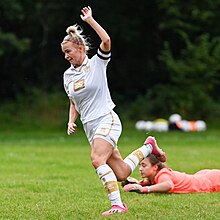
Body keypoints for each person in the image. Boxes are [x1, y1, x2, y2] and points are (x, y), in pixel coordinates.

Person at [61, 6, 166, 216]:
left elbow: (106, 41)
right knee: (121, 173)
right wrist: (71, 120)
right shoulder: (67, 76)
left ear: (80, 48)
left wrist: (90, 20)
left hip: (106, 119)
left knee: (96, 160)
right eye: (63, 53)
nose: (66, 56)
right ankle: (148, 147)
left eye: (68, 52)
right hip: (90, 128)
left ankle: (118, 205)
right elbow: (73, 102)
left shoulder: (97, 64)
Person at [123, 154, 220, 194]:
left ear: (155, 167)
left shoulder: (163, 174)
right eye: (140, 165)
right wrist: (136, 184)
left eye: (144, 166)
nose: (140, 169)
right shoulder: (153, 178)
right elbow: (151, 184)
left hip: (210, 182)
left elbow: (168, 185)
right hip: (201, 176)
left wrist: (144, 189)